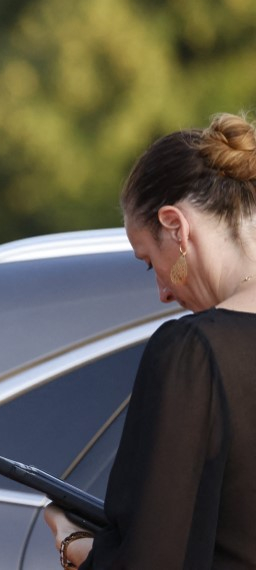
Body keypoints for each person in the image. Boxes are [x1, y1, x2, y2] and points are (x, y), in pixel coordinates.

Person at [45, 113, 256, 568]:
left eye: (148, 262)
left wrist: (73, 544)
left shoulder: (195, 354)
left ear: (175, 225)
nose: (162, 292)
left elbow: (150, 558)